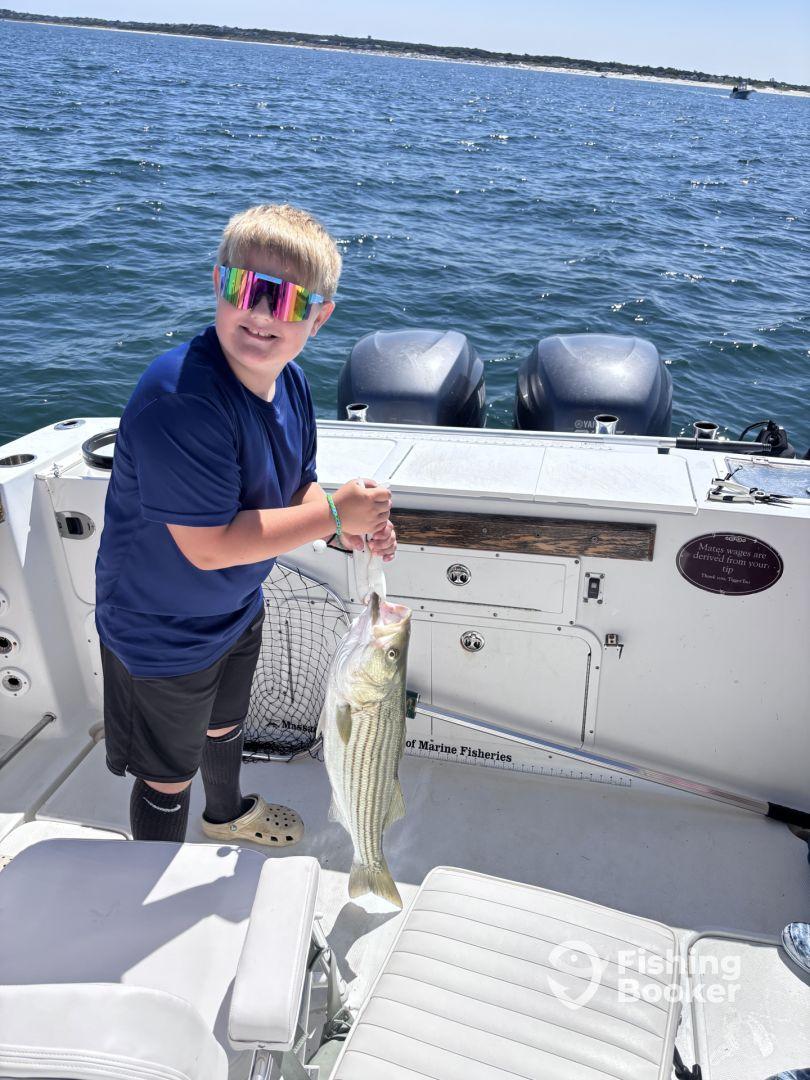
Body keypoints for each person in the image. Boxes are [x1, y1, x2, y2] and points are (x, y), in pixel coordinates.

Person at [95, 203, 396, 844]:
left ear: (319, 318)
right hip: (161, 627)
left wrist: (344, 531)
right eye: (245, 289)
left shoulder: (290, 385)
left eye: (287, 302)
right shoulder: (182, 401)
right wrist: (336, 513)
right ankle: (148, 889)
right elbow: (209, 547)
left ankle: (227, 816)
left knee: (227, 724)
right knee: (166, 774)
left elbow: (295, 489)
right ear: (218, 284)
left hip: (236, 603)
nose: (260, 315)